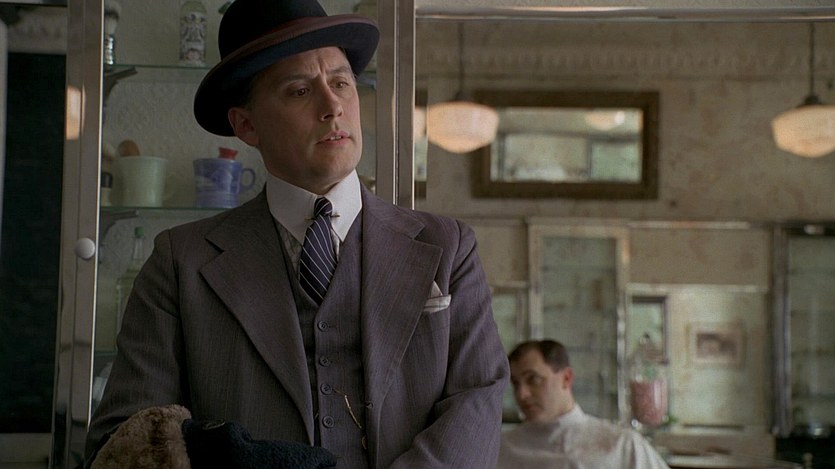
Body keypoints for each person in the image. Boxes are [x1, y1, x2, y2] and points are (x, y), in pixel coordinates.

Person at [83, 0, 509, 467]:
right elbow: (126, 436)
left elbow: (479, 399)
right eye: (300, 90)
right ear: (246, 125)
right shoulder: (180, 262)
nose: (333, 106)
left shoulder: (447, 248)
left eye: (341, 83)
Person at [496, 340, 669, 469]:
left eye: (533, 379)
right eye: (515, 383)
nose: (522, 394)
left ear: (566, 378)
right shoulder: (501, 448)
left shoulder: (621, 446)